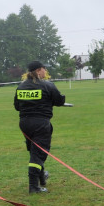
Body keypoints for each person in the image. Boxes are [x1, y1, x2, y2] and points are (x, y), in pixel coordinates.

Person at [14, 61, 66, 194]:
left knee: (34, 151)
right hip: (41, 124)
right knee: (37, 155)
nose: (45, 72)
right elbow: (60, 101)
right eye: (44, 69)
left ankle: (41, 176)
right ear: (38, 71)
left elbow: (17, 106)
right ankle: (33, 186)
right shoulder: (47, 85)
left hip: (25, 124)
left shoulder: (21, 87)